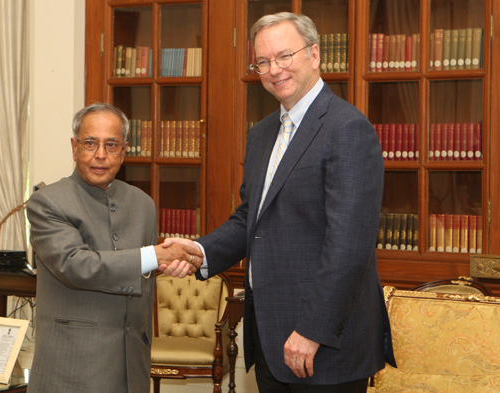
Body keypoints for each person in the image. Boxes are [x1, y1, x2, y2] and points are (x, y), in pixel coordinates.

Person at [161, 12, 396, 393]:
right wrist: (201, 251)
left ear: (315, 55)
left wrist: (312, 330)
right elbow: (251, 219)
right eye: (263, 61)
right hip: (270, 337)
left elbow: (349, 246)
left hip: (323, 344)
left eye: (285, 56)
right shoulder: (263, 133)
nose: (274, 69)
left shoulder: (347, 128)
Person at [26, 103, 202, 393]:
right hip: (72, 367)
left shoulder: (143, 204)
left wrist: (161, 265)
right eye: (90, 143)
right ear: (74, 147)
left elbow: (135, 273)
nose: (100, 155)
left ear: (124, 150)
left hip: (133, 363)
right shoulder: (48, 202)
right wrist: (152, 256)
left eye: (111, 145)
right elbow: (76, 266)